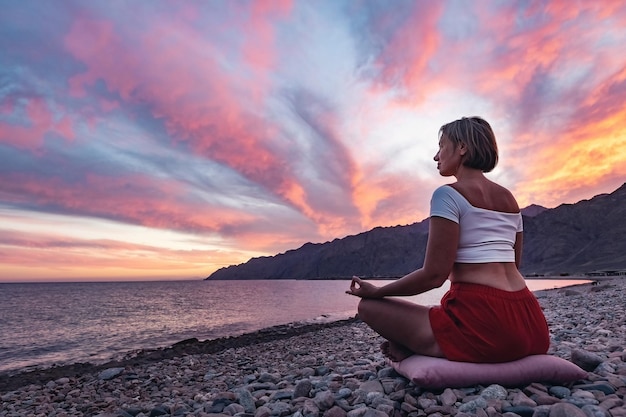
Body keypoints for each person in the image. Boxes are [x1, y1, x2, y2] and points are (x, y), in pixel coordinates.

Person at [346, 116, 549, 363]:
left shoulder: (447, 195)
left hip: (488, 327)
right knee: (439, 312)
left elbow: (434, 275)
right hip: (531, 322)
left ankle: (424, 347)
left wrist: (378, 292)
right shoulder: (510, 199)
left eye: (442, 146)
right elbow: (514, 265)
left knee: (368, 307)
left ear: (462, 147)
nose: (436, 156)